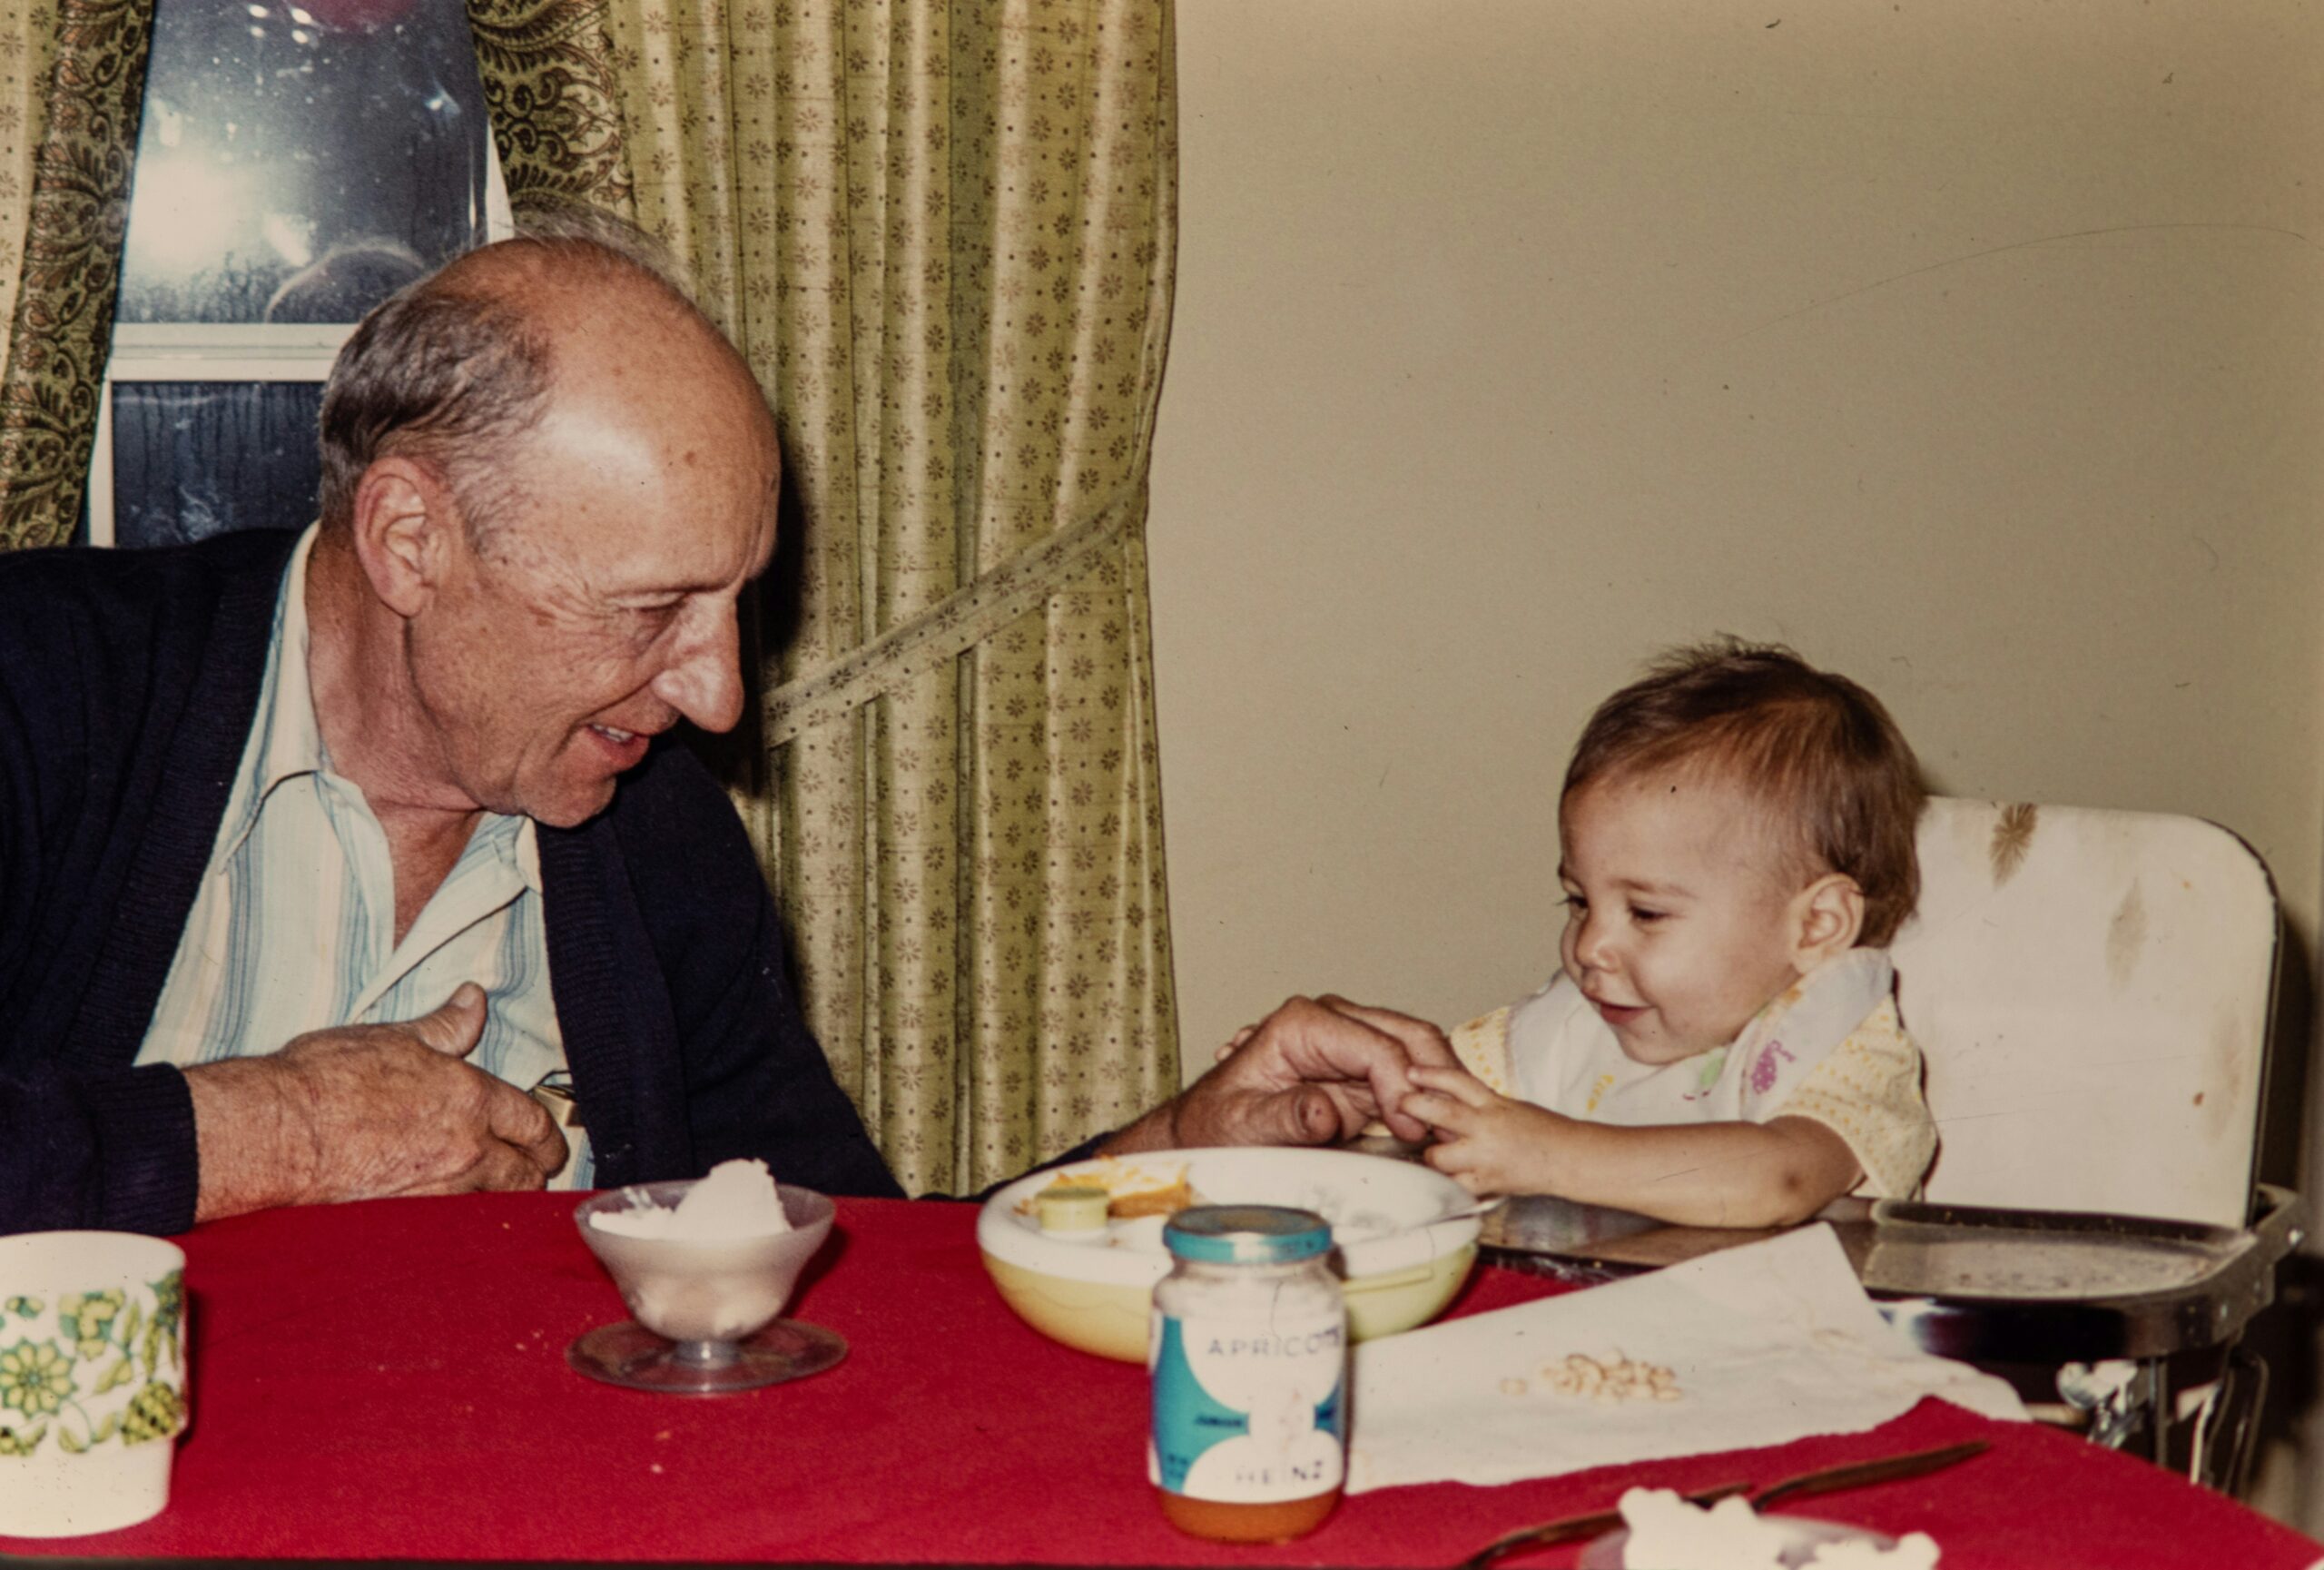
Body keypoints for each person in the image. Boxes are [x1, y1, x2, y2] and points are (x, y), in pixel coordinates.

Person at [0, 227, 1446, 1237]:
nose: (718, 698)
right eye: (651, 609)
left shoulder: (643, 824)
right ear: (409, 540)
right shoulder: (45, 683)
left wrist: (1171, 1160)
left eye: (736, 605)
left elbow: (840, 1270)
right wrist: (278, 1137)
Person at [1256, 641, 1939, 1229]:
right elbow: (1446, 1107)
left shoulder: (1846, 1047)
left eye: (1645, 912)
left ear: (1817, 924)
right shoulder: (1580, 1024)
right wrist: (1350, 1093)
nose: (1587, 947)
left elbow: (1781, 1180)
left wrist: (1549, 1154)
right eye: (1579, 901)